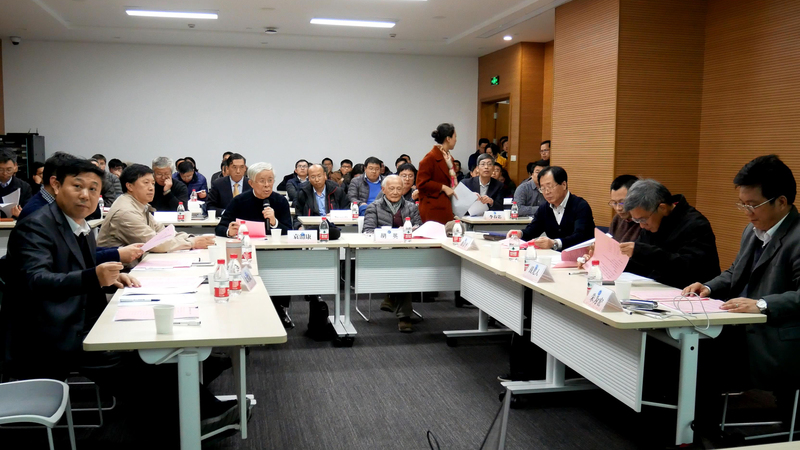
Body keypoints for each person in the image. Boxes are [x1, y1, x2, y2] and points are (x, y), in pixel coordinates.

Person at [683, 155, 800, 404]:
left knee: (700, 357)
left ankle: (701, 423)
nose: (747, 212)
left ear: (781, 202)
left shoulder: (797, 236)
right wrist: (708, 286)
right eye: (742, 204)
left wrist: (762, 304)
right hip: (740, 329)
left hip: (774, 338)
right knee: (683, 349)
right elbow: (735, 271)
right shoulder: (752, 230)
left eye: (753, 205)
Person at [18, 153, 144, 264]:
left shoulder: (72, 214)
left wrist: (116, 255)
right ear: (56, 184)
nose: (85, 195)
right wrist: (98, 273)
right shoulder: (35, 219)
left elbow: (83, 254)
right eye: (77, 185)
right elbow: (41, 277)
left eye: (92, 189)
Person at [215, 162, 294, 328]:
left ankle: (280, 309)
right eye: (262, 181)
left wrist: (274, 222)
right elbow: (220, 228)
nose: (267, 185)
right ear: (251, 183)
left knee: (282, 272)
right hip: (245, 255)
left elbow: (289, 231)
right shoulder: (239, 201)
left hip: (274, 253)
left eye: (270, 180)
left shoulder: (280, 201)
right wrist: (229, 231)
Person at [621, 179, 719, 288]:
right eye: (636, 220)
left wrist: (642, 252)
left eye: (643, 219)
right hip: (658, 288)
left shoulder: (696, 225)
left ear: (662, 208)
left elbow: (687, 269)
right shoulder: (652, 221)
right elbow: (641, 265)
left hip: (691, 292)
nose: (641, 226)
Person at [98, 164, 215, 254]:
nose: (151, 188)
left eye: (153, 183)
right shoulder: (125, 212)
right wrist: (192, 243)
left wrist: (191, 238)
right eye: (146, 183)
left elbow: (163, 232)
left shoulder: (140, 205)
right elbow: (155, 243)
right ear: (129, 186)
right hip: (120, 271)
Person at [362, 175, 423, 332]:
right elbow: (368, 231)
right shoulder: (374, 207)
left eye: (399, 188)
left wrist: (412, 230)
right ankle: (404, 316)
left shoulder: (411, 207)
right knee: (403, 268)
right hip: (381, 253)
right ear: (383, 190)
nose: (395, 192)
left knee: (403, 266)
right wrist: (392, 234)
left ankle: (391, 297)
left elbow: (419, 228)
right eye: (391, 188)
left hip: (406, 252)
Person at [511, 166, 595, 250]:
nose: (546, 192)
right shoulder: (544, 208)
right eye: (543, 188)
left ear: (564, 185)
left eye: (550, 187)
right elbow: (532, 230)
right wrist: (520, 234)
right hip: (554, 256)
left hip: (580, 255)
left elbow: (581, 236)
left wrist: (555, 243)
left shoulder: (580, 206)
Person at [417, 123, 458, 224]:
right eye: (455, 137)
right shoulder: (430, 158)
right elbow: (421, 183)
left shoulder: (449, 158)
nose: (456, 140)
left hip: (445, 205)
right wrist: (443, 187)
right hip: (433, 207)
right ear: (448, 139)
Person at [292, 164, 348, 228]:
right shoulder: (303, 193)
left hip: (334, 226)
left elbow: (347, 210)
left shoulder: (336, 191)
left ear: (325, 176)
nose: (317, 180)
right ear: (309, 178)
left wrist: (335, 215)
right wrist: (299, 227)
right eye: (313, 177)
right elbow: (298, 215)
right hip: (311, 226)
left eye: (319, 176)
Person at [608, 175, 641, 243]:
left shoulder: (646, 223)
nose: (618, 208)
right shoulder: (617, 218)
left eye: (622, 202)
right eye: (614, 203)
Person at [0, 149, 32, 219]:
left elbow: (30, 213)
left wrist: (21, 215)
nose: (5, 173)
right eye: (1, 170)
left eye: (8, 169)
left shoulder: (24, 187)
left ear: (15, 166)